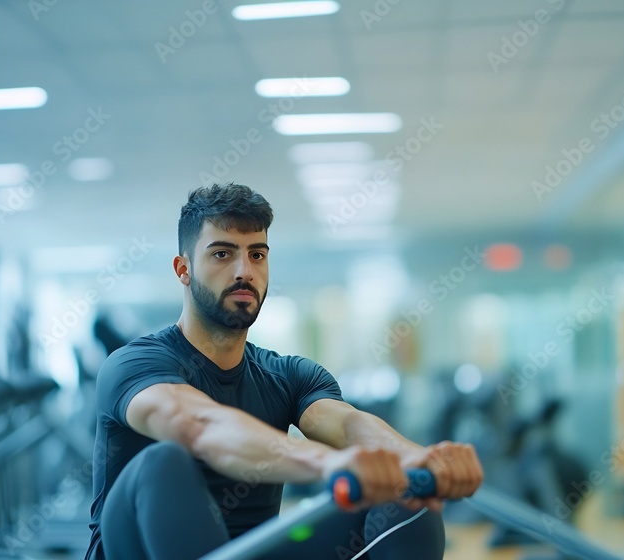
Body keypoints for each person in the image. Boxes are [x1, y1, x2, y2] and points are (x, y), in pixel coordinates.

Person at [86, 183, 483, 560]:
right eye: (222, 254)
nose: (244, 271)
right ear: (183, 269)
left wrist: (418, 460)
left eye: (257, 254)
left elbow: (347, 427)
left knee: (404, 493)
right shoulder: (135, 364)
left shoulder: (289, 374)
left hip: (249, 552)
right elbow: (199, 426)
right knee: (163, 463)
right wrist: (326, 463)